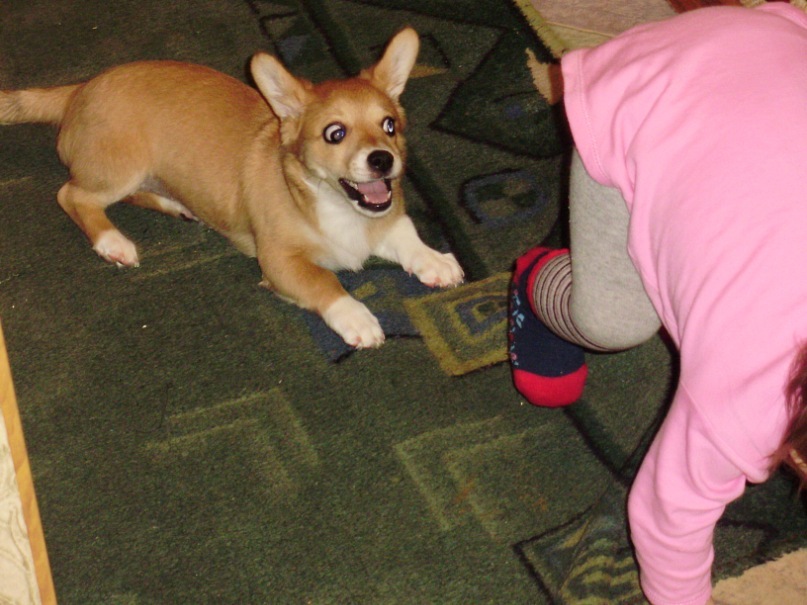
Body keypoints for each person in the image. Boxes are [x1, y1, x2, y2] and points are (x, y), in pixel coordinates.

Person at [508, 4, 807, 604]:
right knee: (615, 320)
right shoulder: (747, 394)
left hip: (779, 47)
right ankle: (537, 282)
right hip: (649, 95)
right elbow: (668, 518)